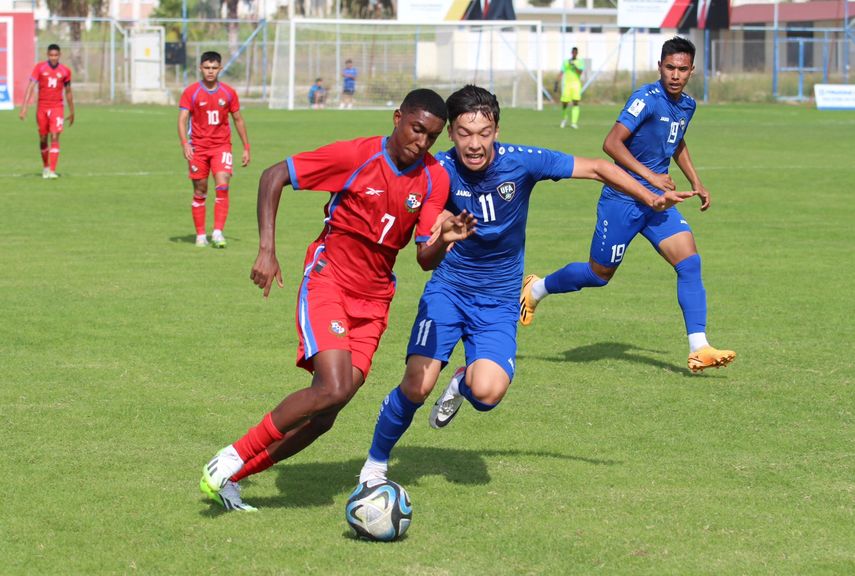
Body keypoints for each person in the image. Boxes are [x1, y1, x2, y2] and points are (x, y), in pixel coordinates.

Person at [356, 84, 693, 485]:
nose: (475, 144)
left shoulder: (523, 162)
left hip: (498, 301)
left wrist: (649, 196)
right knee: (417, 384)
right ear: (451, 133)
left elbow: (598, 168)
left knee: (488, 393)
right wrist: (444, 235)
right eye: (464, 133)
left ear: (497, 130)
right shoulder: (438, 172)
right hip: (450, 290)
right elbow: (424, 255)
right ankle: (375, 465)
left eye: (484, 133)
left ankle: (463, 381)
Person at [198, 89, 477, 512]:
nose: (421, 143)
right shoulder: (355, 156)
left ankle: (231, 478)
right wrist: (267, 249)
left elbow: (423, 257)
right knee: (332, 387)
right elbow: (274, 175)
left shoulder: (434, 177)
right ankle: (230, 456)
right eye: (416, 129)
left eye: (432, 137)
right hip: (329, 282)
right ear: (398, 117)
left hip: (375, 299)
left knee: (329, 411)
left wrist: (445, 240)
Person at [520, 36, 736, 374]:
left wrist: (696, 181)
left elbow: (676, 140)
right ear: (660, 67)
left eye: (682, 69)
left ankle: (699, 347)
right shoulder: (645, 99)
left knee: (690, 263)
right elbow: (611, 144)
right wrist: (651, 176)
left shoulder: (687, 105)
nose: (675, 75)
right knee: (598, 274)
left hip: (657, 204)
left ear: (692, 70)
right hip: (622, 200)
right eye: (669, 68)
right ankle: (535, 288)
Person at [177, 51, 250, 248]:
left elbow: (238, 119)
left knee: (223, 184)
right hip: (198, 148)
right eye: (207, 68)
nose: (210, 72)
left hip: (221, 146)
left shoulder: (228, 93)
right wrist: (185, 143)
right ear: (201, 68)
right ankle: (201, 235)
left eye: (214, 68)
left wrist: (246, 147)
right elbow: (182, 120)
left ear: (220, 69)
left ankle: (218, 233)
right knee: (200, 190)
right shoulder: (191, 92)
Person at [18, 44, 75, 179]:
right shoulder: (40, 68)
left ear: (59, 55)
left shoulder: (66, 71)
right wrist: (24, 107)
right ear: (47, 55)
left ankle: (52, 171)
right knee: (43, 137)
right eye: (51, 55)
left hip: (57, 107)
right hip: (42, 107)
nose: (53, 58)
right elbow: (31, 87)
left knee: (55, 136)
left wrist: (72, 111)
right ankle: (45, 167)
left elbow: (68, 92)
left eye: (56, 55)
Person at [558, 47, 584, 129]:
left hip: (576, 84)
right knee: (564, 103)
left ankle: (574, 122)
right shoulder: (566, 62)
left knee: (575, 102)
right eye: (573, 52)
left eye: (575, 52)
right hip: (567, 84)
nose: (574, 54)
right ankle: (564, 119)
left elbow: (580, 72)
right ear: (571, 53)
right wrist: (556, 82)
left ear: (577, 53)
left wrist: (574, 65)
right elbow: (562, 72)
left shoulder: (580, 62)